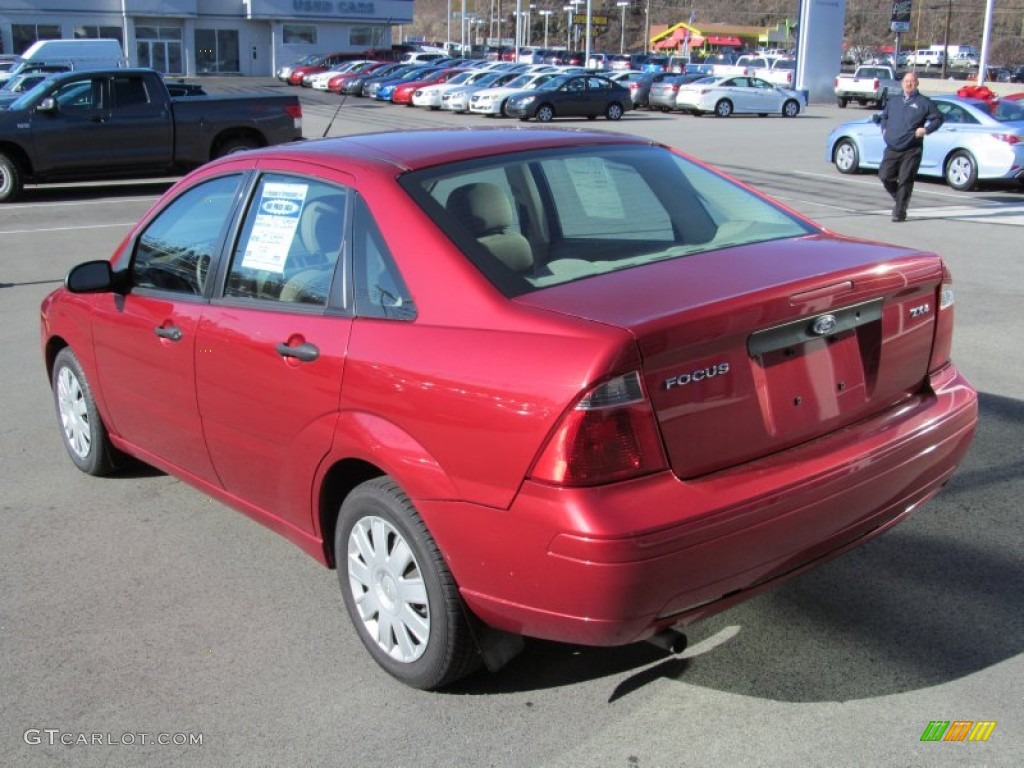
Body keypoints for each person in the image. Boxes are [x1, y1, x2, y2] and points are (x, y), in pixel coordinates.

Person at [878, 72, 944, 222]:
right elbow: (884, 117)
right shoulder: (894, 101)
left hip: (911, 148)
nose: (908, 84)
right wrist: (884, 129)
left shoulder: (924, 102)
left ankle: (899, 211)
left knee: (905, 179)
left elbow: (939, 118)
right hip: (892, 146)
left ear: (917, 84)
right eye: (906, 81)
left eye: (912, 81)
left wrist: (926, 130)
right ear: (902, 84)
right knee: (884, 175)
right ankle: (900, 199)